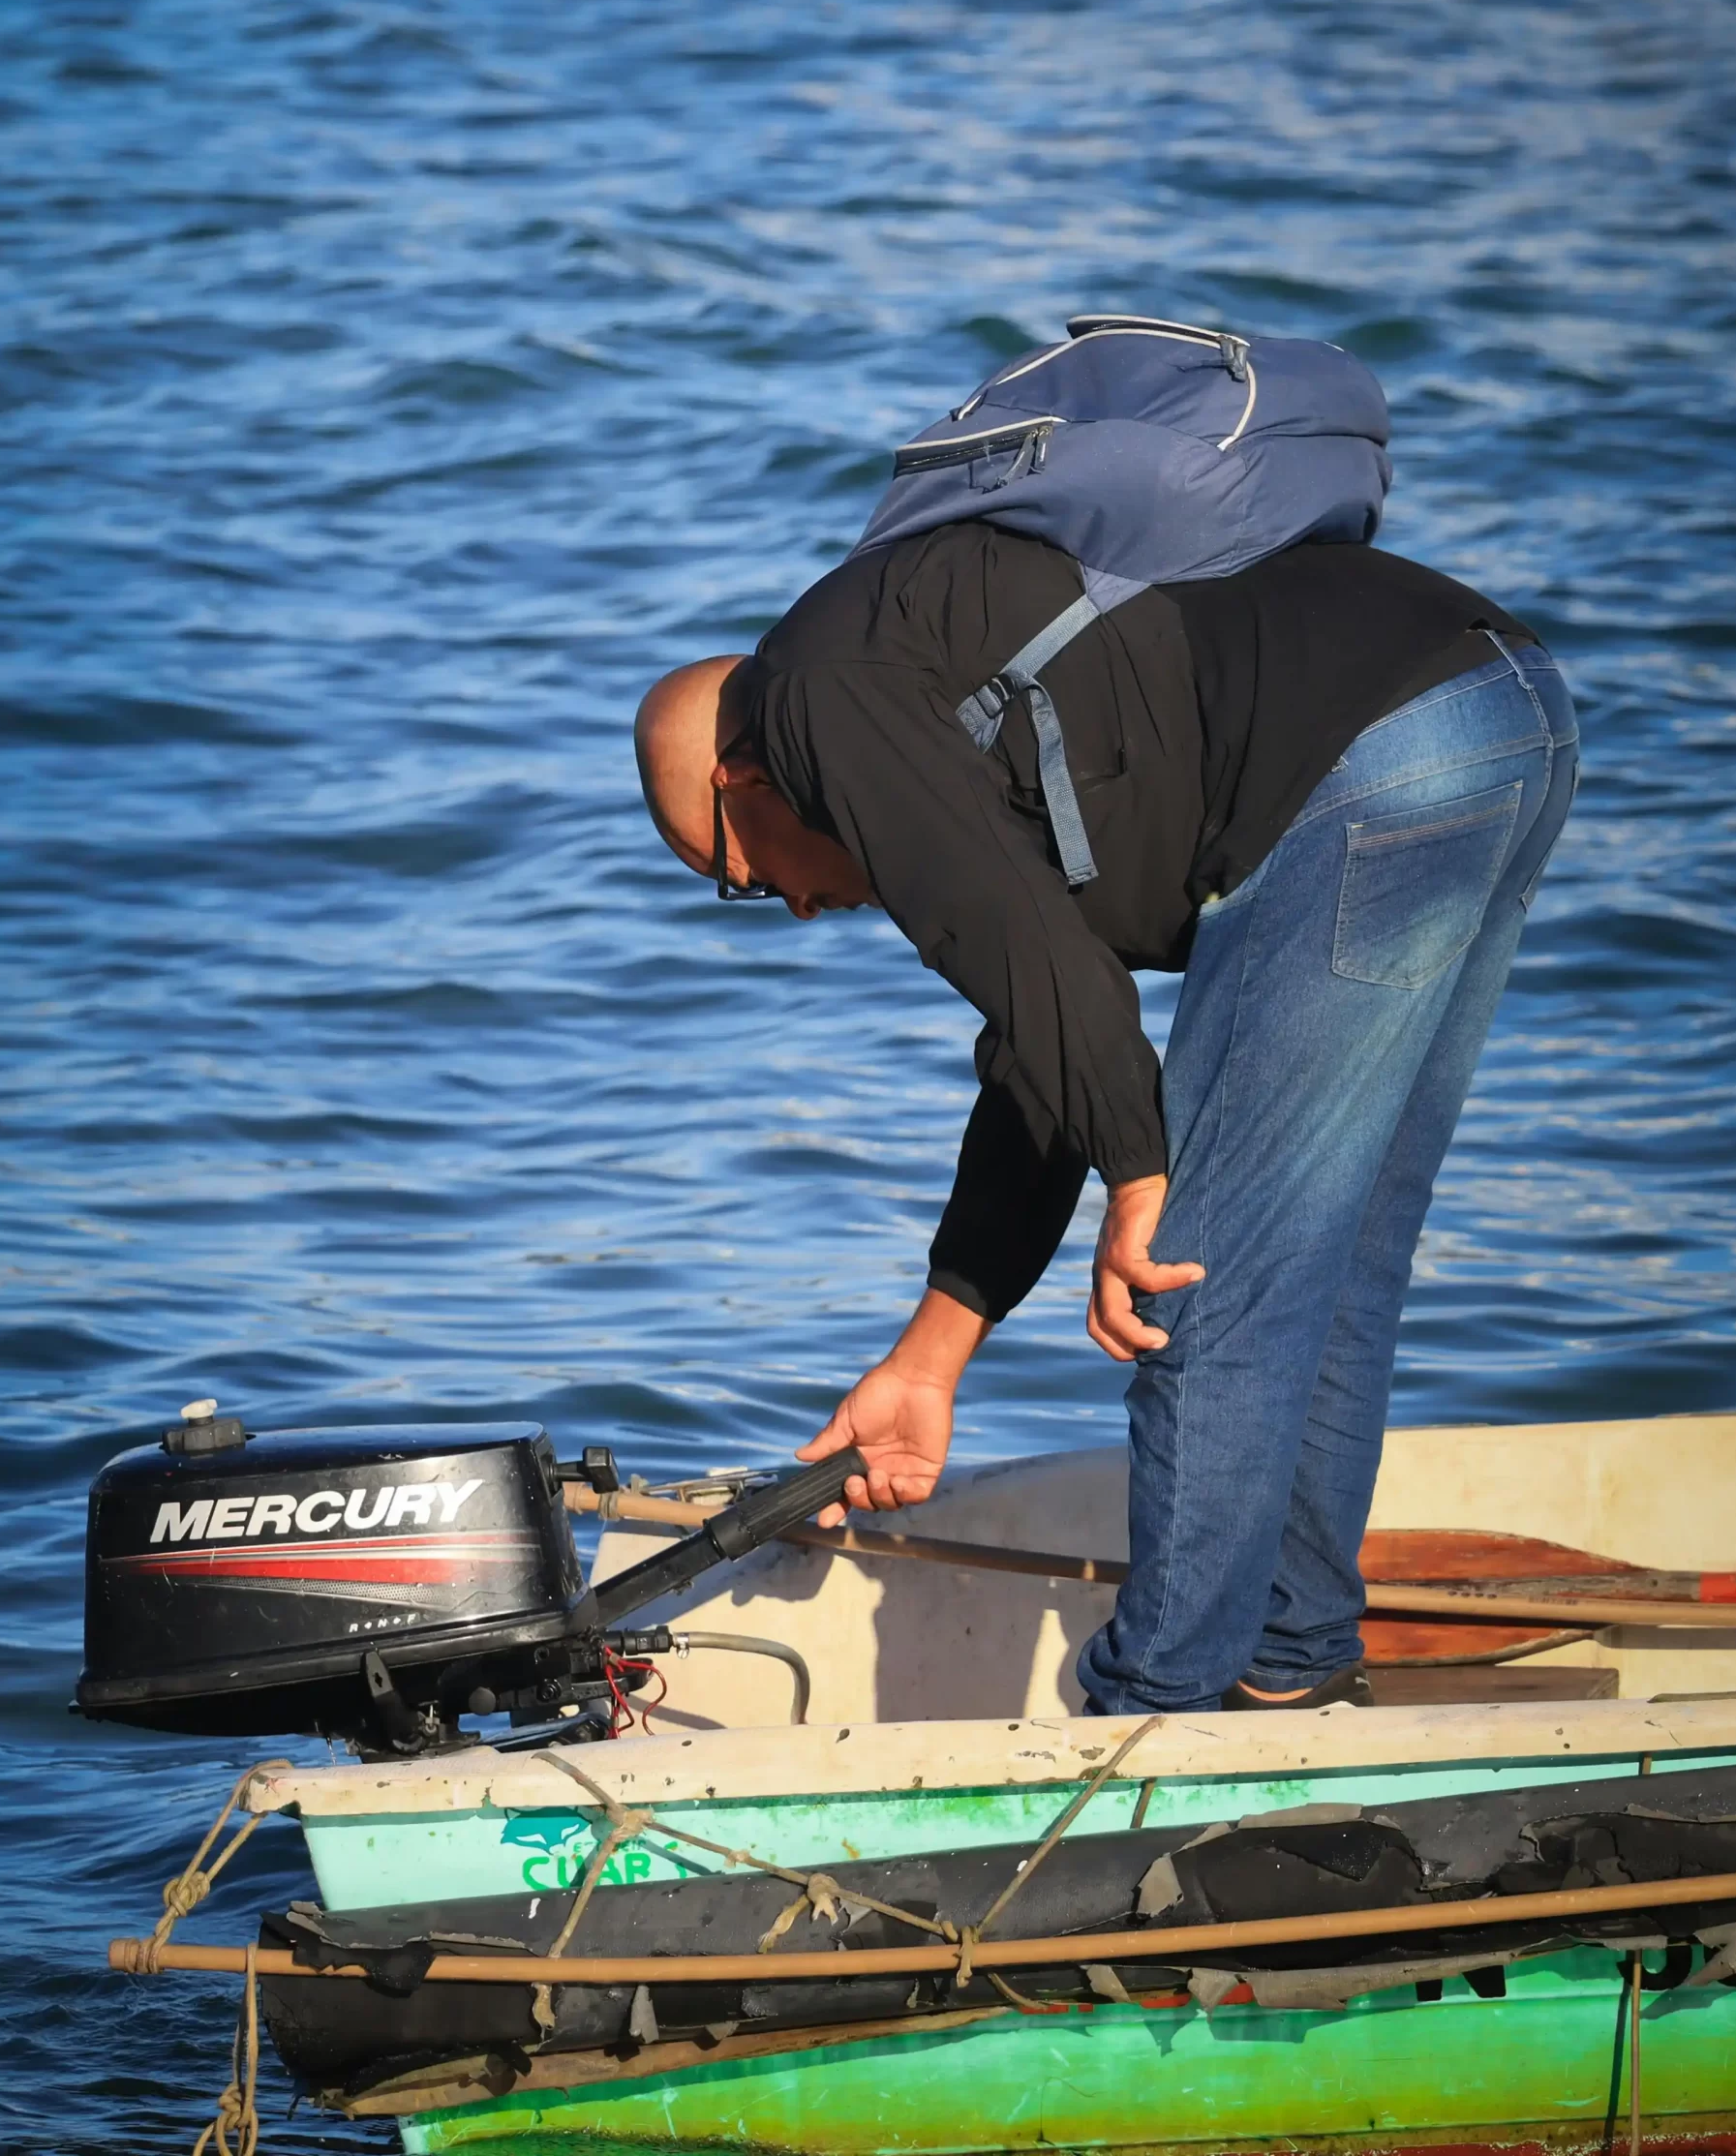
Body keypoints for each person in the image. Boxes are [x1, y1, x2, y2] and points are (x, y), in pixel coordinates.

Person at [634, 524, 1576, 1714]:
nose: (799, 908)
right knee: (1332, 1250)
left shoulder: (813, 697)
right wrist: (933, 1355)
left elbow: (1041, 976)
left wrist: (1143, 1181)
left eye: (741, 878)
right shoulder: (932, 702)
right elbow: (1048, 1029)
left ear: (742, 781)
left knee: (1190, 1270)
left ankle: (1152, 1717)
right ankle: (1291, 1670)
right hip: (1502, 708)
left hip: (1368, 757)